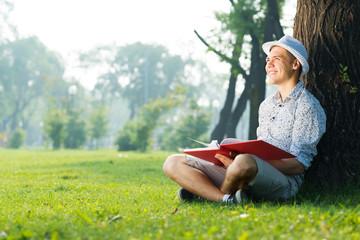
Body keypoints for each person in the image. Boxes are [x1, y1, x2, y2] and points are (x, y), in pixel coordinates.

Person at [163, 35, 326, 203]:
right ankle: (225, 198)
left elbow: (299, 165)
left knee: (243, 162)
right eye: (268, 60)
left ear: (295, 64)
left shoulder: (308, 106)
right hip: (246, 171)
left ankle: (204, 192)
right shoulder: (267, 105)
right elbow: (261, 146)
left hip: (283, 181)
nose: (269, 64)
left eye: (276, 59)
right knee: (172, 162)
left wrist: (244, 161)